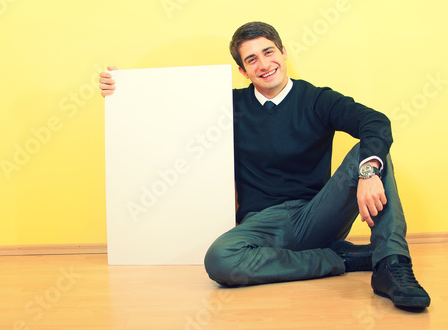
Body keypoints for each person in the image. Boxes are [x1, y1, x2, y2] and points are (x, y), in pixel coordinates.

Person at [99, 21, 430, 309]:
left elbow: (374, 121)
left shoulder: (316, 99)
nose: (264, 64)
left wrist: (368, 172)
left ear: (283, 53)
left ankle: (390, 265)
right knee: (220, 259)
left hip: (315, 214)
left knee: (372, 151)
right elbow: (167, 113)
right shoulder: (227, 106)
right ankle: (340, 258)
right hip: (262, 224)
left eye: (269, 52)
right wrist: (124, 89)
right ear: (243, 70)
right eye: (252, 59)